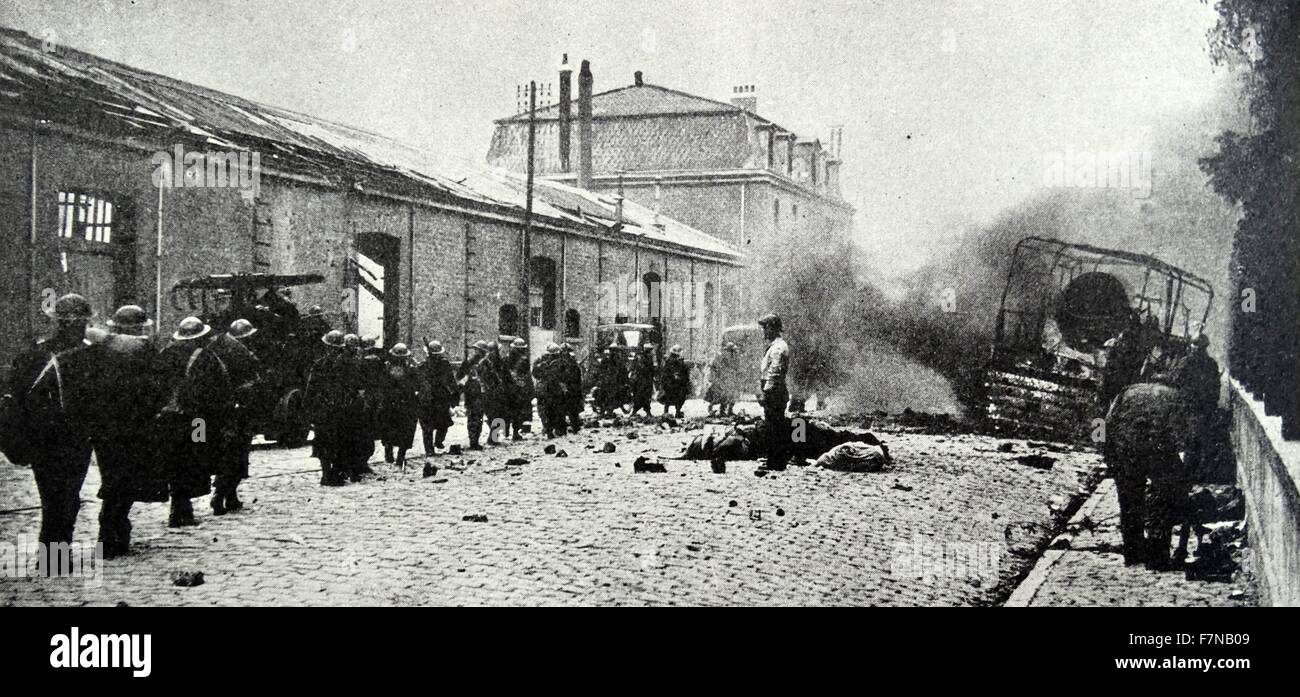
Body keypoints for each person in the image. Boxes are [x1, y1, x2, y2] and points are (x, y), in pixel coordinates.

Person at [9, 294, 97, 561]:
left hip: (40, 436)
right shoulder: (90, 357)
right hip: (75, 436)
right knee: (69, 494)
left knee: (50, 494)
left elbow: (17, 394)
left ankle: (50, 554)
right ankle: (56, 555)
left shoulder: (33, 354)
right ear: (82, 323)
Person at [88, 306, 167, 557]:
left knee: (111, 476)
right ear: (139, 327)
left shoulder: (100, 349)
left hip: (104, 427)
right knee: (128, 478)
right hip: (136, 426)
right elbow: (157, 389)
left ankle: (108, 531)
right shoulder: (145, 349)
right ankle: (116, 529)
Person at [1104, 374, 1191, 570]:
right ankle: (1157, 556)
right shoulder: (1173, 395)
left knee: (1129, 503)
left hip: (1125, 451)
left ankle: (1133, 553)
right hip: (1157, 452)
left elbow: (1105, 421)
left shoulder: (1127, 392)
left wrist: (1105, 451)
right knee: (1162, 501)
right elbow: (1181, 433)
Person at [154, 316, 233, 525]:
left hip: (168, 419)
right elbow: (219, 390)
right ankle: (185, 505)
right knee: (195, 455)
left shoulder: (164, 354)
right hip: (198, 420)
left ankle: (177, 504)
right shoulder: (207, 357)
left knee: (173, 458)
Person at [205, 318, 262, 515]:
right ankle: (221, 495)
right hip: (238, 412)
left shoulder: (216, 348)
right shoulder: (241, 354)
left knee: (227, 453)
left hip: (219, 412)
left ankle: (230, 496)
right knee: (236, 454)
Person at [1171, 333, 1222, 479]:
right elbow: (1216, 386)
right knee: (1201, 439)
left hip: (1191, 407)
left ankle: (1189, 473)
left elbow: (1176, 380)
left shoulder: (1186, 362)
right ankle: (1199, 472)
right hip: (1204, 407)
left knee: (1191, 440)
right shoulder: (1211, 363)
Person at [304, 330, 349, 486]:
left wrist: (308, 410)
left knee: (323, 441)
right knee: (339, 441)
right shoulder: (346, 364)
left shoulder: (319, 364)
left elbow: (311, 388)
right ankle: (336, 473)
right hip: (340, 408)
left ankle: (325, 474)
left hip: (323, 409)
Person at [379, 343, 420, 469]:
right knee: (405, 430)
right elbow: (418, 384)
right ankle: (399, 456)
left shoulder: (387, 368)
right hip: (405, 403)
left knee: (390, 429)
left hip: (392, 403)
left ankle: (390, 452)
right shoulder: (410, 369)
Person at [757, 313, 791, 470]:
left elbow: (774, 372)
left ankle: (775, 461)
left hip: (774, 391)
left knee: (774, 427)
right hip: (775, 390)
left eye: (765, 328)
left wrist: (766, 391)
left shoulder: (778, 347)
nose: (764, 331)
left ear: (772, 328)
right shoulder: (776, 346)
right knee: (773, 425)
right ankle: (774, 459)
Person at [417, 340, 457, 455]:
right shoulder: (444, 364)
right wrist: (454, 395)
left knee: (429, 426)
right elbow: (451, 381)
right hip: (439, 397)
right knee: (442, 423)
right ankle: (438, 442)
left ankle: (430, 449)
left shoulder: (423, 365)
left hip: (429, 398)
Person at [458, 340, 491, 449]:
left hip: (475, 394)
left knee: (474, 417)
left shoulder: (479, 362)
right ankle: (474, 441)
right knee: (476, 417)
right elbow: (459, 376)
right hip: (477, 394)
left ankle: (474, 440)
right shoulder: (475, 362)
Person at [479, 337, 511, 445]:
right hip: (489, 393)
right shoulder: (484, 363)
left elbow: (507, 377)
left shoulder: (501, 362)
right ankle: (493, 437)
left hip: (499, 393)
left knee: (499, 415)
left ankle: (494, 437)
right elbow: (482, 377)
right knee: (492, 415)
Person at [532, 343, 565, 438]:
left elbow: (535, 374)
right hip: (553, 390)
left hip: (544, 389)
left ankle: (548, 428)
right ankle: (552, 429)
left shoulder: (540, 363)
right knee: (553, 410)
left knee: (545, 410)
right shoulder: (558, 363)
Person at [507, 337, 534, 439]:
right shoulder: (524, 359)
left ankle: (504, 432)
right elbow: (527, 376)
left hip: (509, 388)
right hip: (520, 389)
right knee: (519, 411)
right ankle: (515, 432)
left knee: (509, 410)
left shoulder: (507, 358)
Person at [707, 342, 741, 416]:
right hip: (723, 379)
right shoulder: (721, 357)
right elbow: (714, 366)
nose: (733, 352)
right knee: (722, 396)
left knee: (732, 396)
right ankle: (718, 410)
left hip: (731, 378)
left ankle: (729, 410)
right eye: (731, 351)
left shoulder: (734, 357)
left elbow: (736, 367)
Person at [558, 343, 584, 433]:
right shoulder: (566, 363)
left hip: (570, 389)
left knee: (569, 411)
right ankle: (571, 427)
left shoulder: (565, 363)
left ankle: (566, 428)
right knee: (570, 411)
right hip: (569, 389)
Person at [659, 345, 691, 418]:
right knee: (676, 398)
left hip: (673, 383)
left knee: (671, 398)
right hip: (673, 383)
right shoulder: (673, 361)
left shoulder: (671, 361)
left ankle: (669, 412)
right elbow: (668, 372)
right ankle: (675, 412)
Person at [628, 344, 656, 418]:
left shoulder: (647, 357)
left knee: (645, 397)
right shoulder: (640, 357)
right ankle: (636, 411)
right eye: (649, 350)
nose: (650, 351)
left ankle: (647, 411)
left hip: (646, 380)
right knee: (640, 396)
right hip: (641, 380)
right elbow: (640, 368)